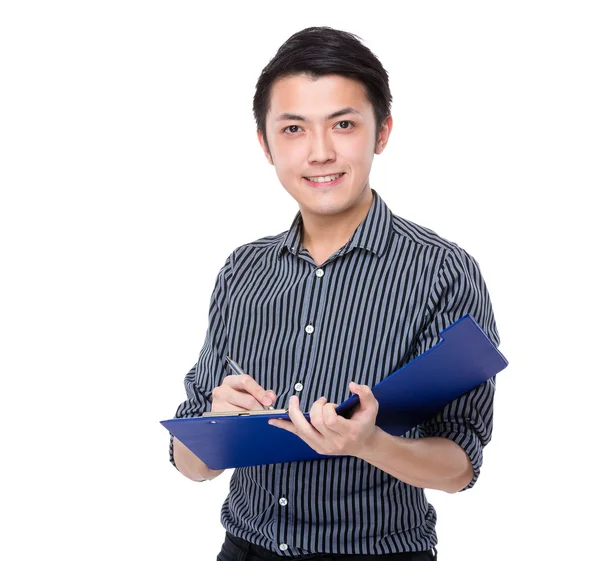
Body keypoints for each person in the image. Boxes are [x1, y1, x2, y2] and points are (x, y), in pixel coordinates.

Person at [169, 26, 500, 561]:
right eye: (294, 128)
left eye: (343, 124)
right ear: (266, 144)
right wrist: (216, 428)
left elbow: (460, 465)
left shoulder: (444, 271)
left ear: (382, 131)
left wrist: (371, 445)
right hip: (244, 549)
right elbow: (190, 461)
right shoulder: (243, 270)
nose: (319, 152)